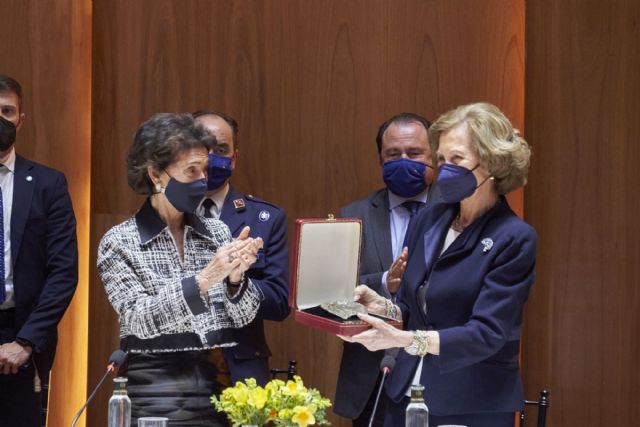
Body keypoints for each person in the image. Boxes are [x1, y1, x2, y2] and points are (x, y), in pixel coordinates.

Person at [340, 102, 536, 427]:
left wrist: (402, 340)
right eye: (441, 159)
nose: (445, 169)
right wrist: (378, 306)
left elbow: (486, 334)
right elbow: (410, 309)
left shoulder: (513, 238)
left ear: (492, 163)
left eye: (457, 159)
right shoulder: (432, 219)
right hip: (406, 391)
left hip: (471, 401)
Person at [97, 113, 263, 426]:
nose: (203, 180)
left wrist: (236, 278)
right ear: (156, 174)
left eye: (205, 169)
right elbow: (138, 319)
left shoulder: (215, 232)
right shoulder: (119, 241)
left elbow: (242, 318)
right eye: (191, 171)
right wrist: (204, 279)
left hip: (214, 386)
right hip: (152, 391)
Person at [334, 113, 435, 426]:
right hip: (374, 377)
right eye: (393, 154)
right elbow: (333, 296)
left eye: (414, 153)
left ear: (434, 156)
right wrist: (383, 283)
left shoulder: (457, 212)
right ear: (380, 159)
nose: (403, 161)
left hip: (438, 373)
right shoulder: (353, 216)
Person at [0, 74, 78, 427]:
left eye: (7, 110)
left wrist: (27, 341)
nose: (0, 119)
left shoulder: (48, 183)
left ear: (21, 119)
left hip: (21, 339)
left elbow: (63, 271)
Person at [193, 110, 289, 385]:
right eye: (202, 147)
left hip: (240, 368)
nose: (211, 157)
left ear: (233, 159)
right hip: (175, 366)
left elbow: (280, 303)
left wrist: (236, 282)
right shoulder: (164, 215)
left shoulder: (265, 219)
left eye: (221, 150)